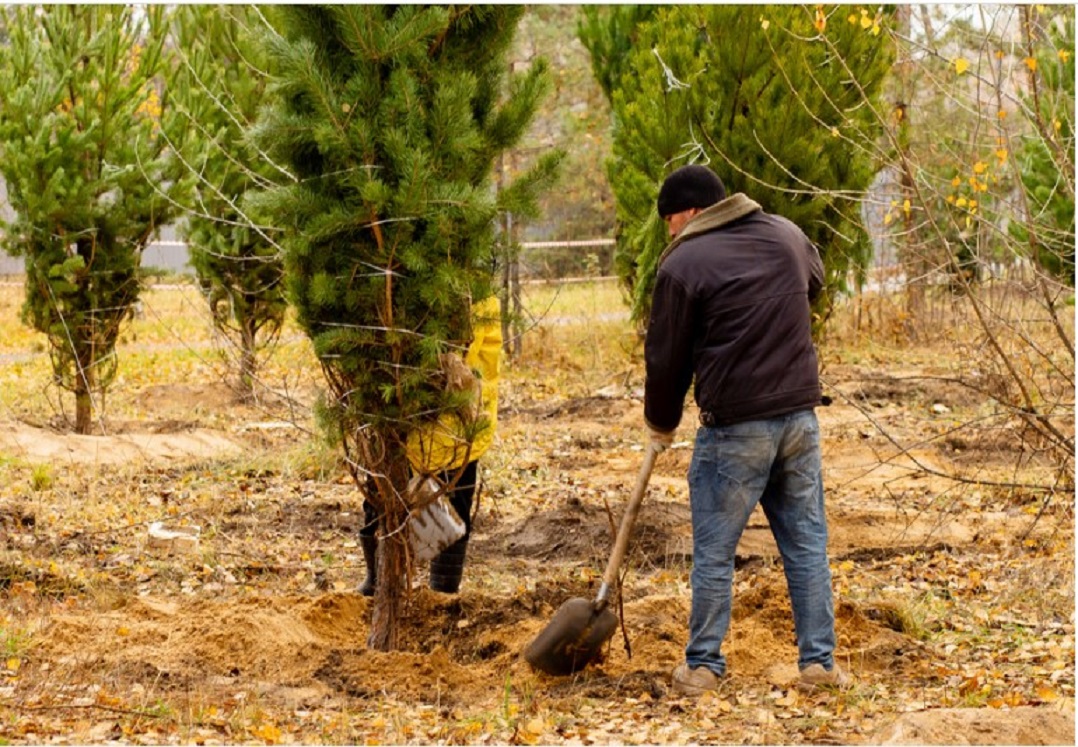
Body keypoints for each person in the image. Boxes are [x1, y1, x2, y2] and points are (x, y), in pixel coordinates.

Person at [644, 164, 848, 695]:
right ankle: (819, 665)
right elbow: (816, 281)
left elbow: (667, 360)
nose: (669, 231)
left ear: (691, 212)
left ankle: (703, 668)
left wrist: (660, 421)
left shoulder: (684, 262)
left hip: (735, 430)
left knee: (714, 552)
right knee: (806, 543)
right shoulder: (787, 235)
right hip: (800, 420)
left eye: (670, 219)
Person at [359, 296, 502, 595]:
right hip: (397, 407)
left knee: (450, 497)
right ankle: (380, 584)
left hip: (453, 408)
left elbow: (477, 350)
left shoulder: (467, 291)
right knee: (381, 488)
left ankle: (441, 593)